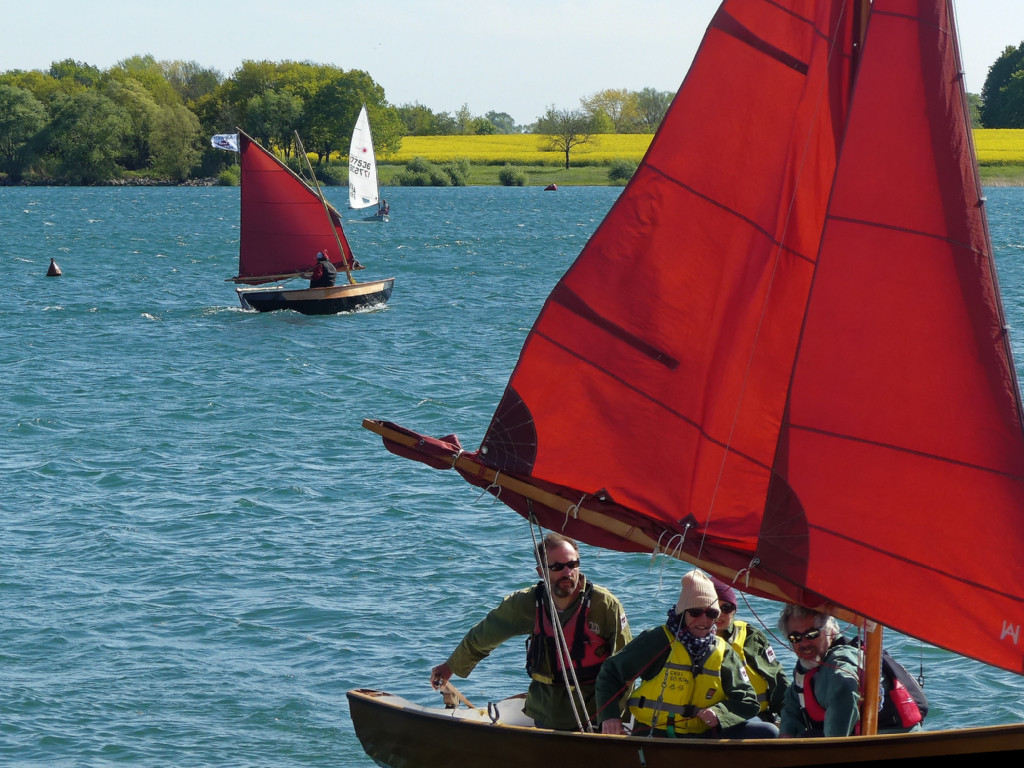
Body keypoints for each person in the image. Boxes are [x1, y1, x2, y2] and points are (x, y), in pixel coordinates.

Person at [429, 533, 631, 731]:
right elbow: (482, 636)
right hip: (546, 713)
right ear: (541, 571)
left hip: (594, 715)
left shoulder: (605, 606)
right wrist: (451, 666)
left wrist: (612, 716)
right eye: (557, 567)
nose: (567, 573)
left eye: (572, 564)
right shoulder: (526, 604)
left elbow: (627, 667)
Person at [595, 570, 775, 738]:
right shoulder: (658, 640)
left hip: (703, 737)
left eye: (712, 614)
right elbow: (611, 672)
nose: (704, 620)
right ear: (682, 613)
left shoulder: (723, 651)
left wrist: (720, 713)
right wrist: (609, 716)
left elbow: (748, 701)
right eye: (696, 612)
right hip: (653, 735)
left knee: (768, 732)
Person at [778, 605, 925, 738]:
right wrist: (785, 738)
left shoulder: (840, 660)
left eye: (812, 634)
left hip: (891, 743)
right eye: (795, 637)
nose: (804, 643)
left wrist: (830, 751)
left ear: (831, 631)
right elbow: (793, 703)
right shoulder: (808, 666)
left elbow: (844, 687)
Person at [710, 575, 788, 728]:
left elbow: (776, 678)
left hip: (751, 716)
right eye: (713, 609)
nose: (720, 614)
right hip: (708, 718)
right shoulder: (691, 640)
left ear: (734, 610)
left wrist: (789, 718)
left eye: (726, 608)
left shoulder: (749, 637)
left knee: (770, 731)